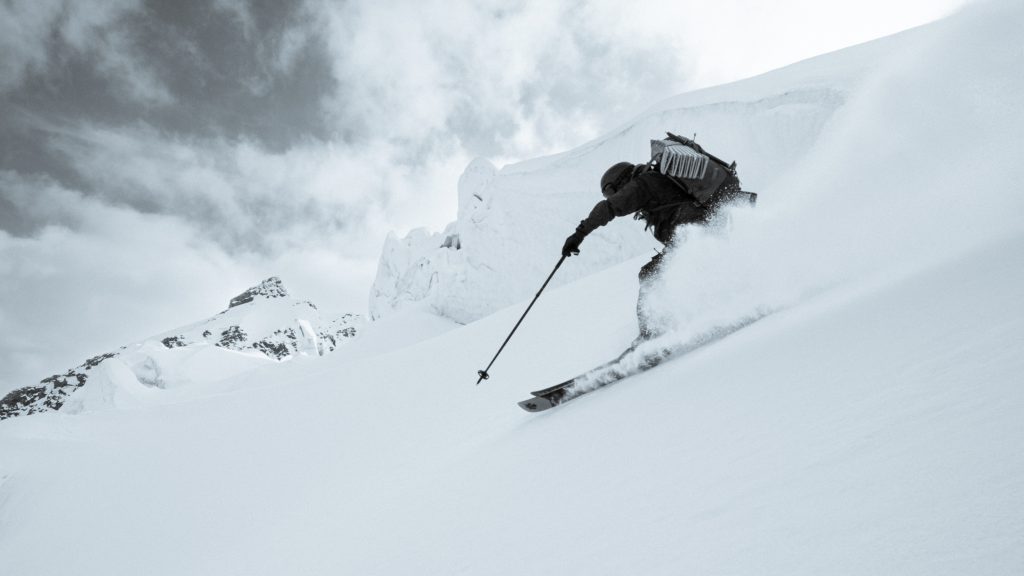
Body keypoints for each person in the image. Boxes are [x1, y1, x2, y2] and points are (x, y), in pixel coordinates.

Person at [561, 157, 744, 340]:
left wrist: (579, 235)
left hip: (693, 235)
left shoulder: (642, 184)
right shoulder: (655, 180)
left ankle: (652, 336)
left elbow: (609, 208)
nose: (614, 195)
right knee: (685, 273)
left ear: (620, 182)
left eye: (612, 192)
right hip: (704, 229)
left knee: (650, 275)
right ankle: (726, 305)